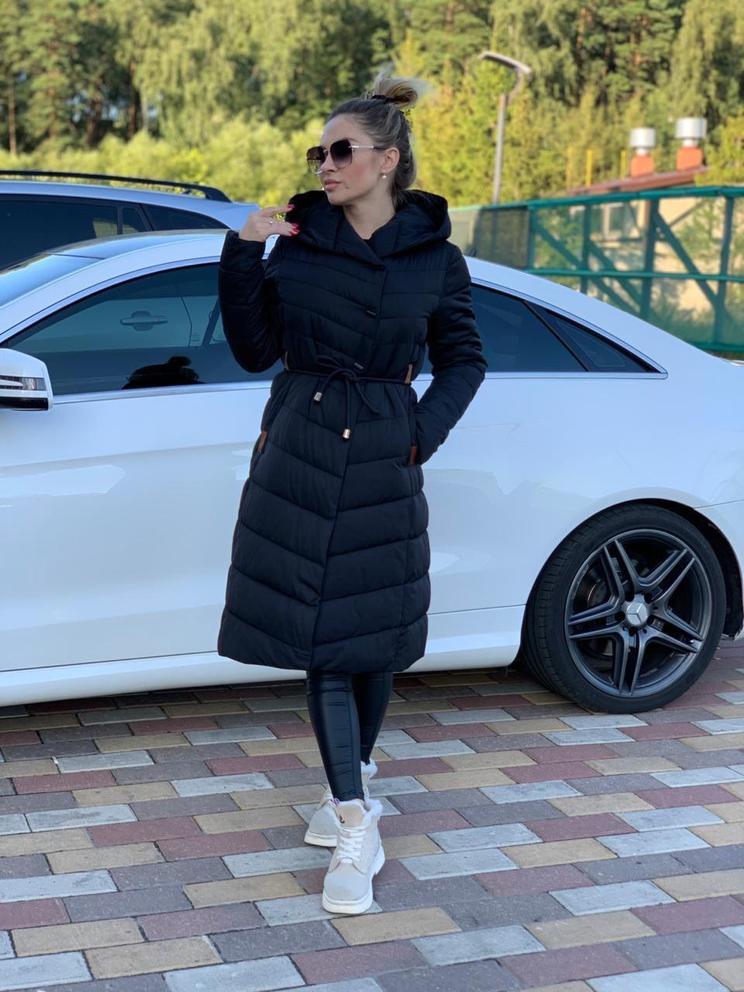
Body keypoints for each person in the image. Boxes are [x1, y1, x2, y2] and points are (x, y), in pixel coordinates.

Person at [216, 70, 487, 915]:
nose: (326, 165)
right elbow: (253, 350)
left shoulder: (435, 259)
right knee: (326, 642)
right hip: (300, 453)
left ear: (387, 160)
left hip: (381, 456)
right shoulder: (297, 242)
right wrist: (243, 251)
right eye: (319, 153)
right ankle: (354, 821)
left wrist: (419, 432)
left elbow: (465, 359)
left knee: (373, 639)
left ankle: (355, 778)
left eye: (341, 151)